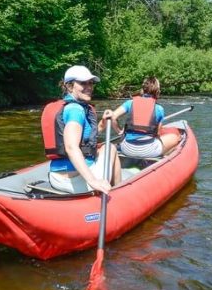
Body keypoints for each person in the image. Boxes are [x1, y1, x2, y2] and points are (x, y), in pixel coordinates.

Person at [41, 65, 121, 194]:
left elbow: (85, 138)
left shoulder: (72, 107)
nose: (89, 87)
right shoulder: (76, 110)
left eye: (91, 83)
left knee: (101, 149)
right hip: (74, 180)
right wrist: (93, 181)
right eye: (83, 83)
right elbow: (71, 147)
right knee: (110, 148)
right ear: (69, 86)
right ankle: (120, 192)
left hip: (57, 178)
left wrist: (102, 124)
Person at [102, 76, 181, 159]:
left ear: (143, 89)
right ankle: (162, 156)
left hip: (127, 149)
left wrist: (119, 131)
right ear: (158, 91)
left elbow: (111, 116)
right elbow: (157, 133)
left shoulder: (129, 103)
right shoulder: (159, 109)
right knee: (175, 138)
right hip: (149, 150)